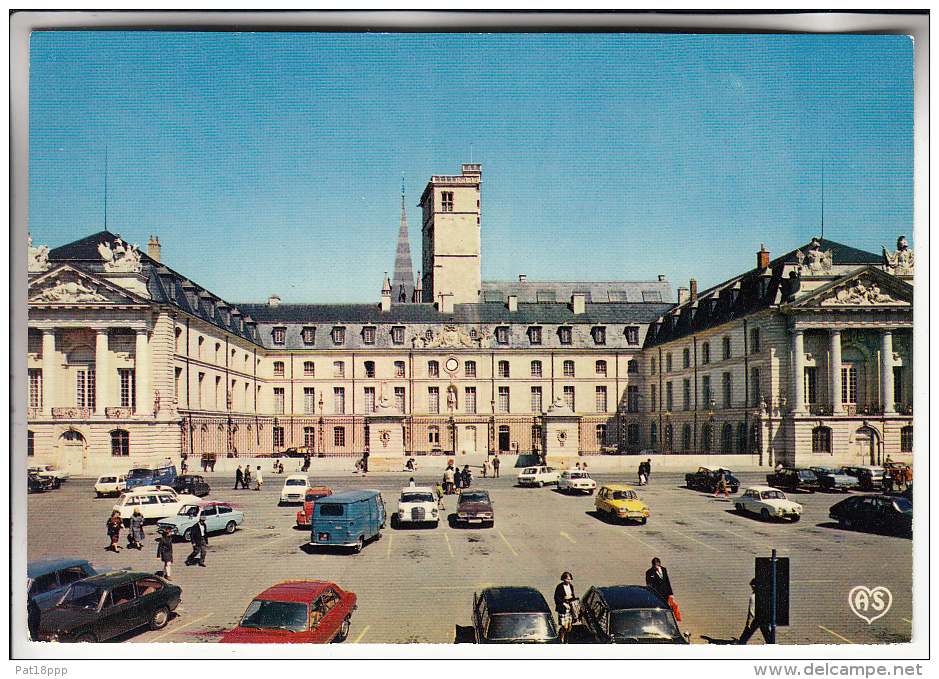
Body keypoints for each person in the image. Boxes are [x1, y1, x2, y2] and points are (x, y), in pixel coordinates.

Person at [737, 579, 772, 644]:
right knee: (766, 632)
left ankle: (741, 642)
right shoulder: (764, 595)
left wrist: (749, 622)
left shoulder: (753, 596)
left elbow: (752, 610)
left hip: (756, 618)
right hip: (764, 617)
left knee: (749, 630)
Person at [554, 572, 578, 643]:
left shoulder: (571, 586)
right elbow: (557, 598)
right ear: (564, 579)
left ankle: (567, 639)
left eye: (570, 579)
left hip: (569, 608)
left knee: (569, 627)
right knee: (565, 626)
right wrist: (564, 603)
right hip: (563, 608)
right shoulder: (560, 587)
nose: (569, 581)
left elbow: (573, 596)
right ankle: (561, 638)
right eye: (567, 579)